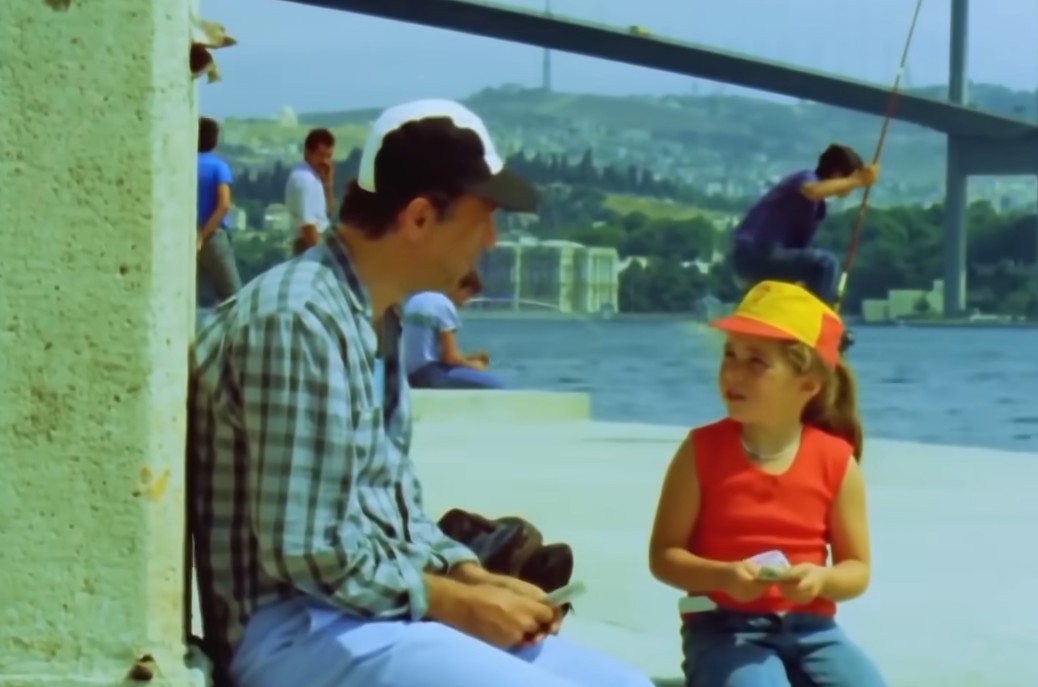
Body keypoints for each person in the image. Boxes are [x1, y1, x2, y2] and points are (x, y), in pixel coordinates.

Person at [188, 98, 652, 687]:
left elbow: (393, 510)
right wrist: (456, 604)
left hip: (360, 611)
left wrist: (470, 576)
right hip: (290, 628)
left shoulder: (373, 318)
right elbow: (307, 550)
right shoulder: (298, 319)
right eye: (483, 218)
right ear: (419, 218)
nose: (491, 240)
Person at [648, 280, 885, 687]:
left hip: (812, 630)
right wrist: (724, 577)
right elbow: (665, 556)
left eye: (756, 361)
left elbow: (857, 569)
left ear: (808, 384)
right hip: (721, 628)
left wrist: (821, 580)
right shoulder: (701, 451)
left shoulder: (836, 461)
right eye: (730, 354)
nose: (733, 371)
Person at [730, 144, 878, 307]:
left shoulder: (816, 208)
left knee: (813, 273)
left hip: (757, 258)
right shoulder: (805, 178)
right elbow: (812, 191)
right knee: (825, 264)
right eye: (847, 179)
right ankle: (817, 316)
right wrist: (858, 180)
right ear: (837, 174)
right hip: (754, 253)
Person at [402, 270, 504, 390]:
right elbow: (450, 358)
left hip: (407, 374)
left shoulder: (414, 300)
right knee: (497, 384)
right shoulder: (444, 305)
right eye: (468, 294)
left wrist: (469, 357)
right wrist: (474, 365)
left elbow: (428, 351)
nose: (466, 302)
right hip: (428, 375)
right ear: (457, 285)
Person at [196, 116, 242, 301]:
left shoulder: (184, 164)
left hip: (187, 237)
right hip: (213, 237)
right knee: (233, 297)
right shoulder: (218, 167)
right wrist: (203, 235)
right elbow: (224, 204)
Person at [285, 127, 336, 256]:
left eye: (328, 156)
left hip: (319, 241)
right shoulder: (304, 180)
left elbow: (327, 213)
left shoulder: (313, 177)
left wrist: (328, 184)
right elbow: (308, 226)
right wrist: (319, 257)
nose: (325, 161)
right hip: (309, 247)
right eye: (321, 155)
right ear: (308, 152)